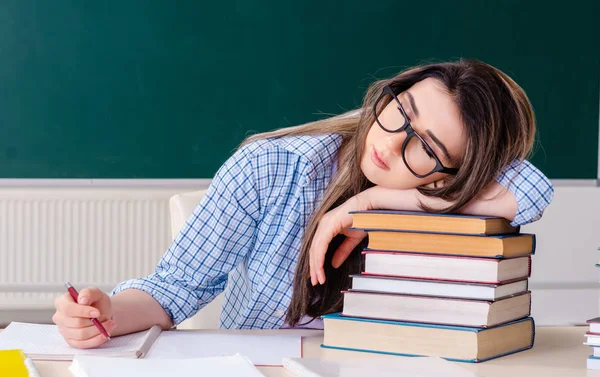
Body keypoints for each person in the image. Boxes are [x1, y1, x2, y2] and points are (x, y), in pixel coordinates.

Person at [53, 59, 553, 348]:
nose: (393, 141)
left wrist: (378, 201)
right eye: (402, 111)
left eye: (427, 148)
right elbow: (174, 289)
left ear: (458, 174)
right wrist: (110, 313)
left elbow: (532, 189)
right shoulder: (272, 168)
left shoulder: (445, 198)